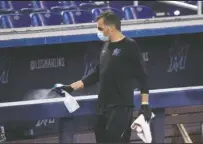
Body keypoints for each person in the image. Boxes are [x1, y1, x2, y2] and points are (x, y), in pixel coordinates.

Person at [56, 11, 152, 143]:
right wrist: (71, 87)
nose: (98, 31)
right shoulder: (105, 46)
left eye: (100, 28)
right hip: (102, 108)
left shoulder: (130, 46)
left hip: (121, 109)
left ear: (111, 28)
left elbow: (143, 77)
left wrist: (145, 104)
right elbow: (96, 74)